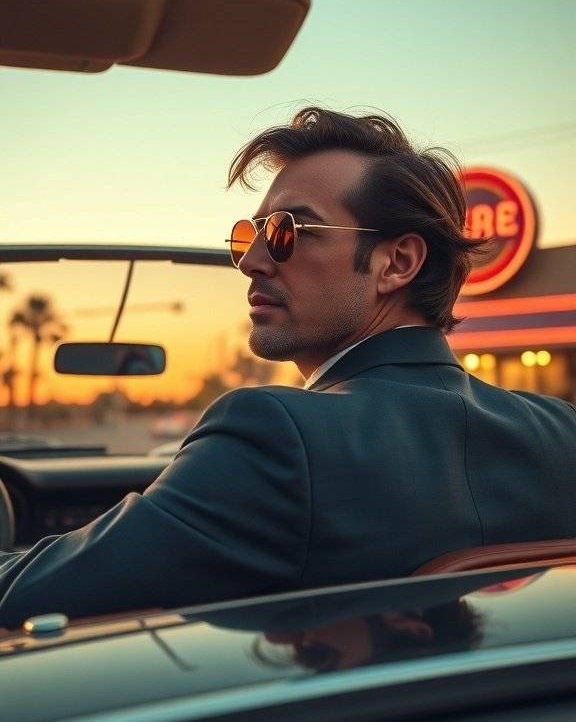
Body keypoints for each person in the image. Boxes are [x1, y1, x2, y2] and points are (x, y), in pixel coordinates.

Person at [0, 108, 574, 629]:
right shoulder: (561, 430)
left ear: (397, 262)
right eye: (249, 235)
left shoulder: (275, 435)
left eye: (287, 233)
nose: (251, 262)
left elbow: (29, 597)